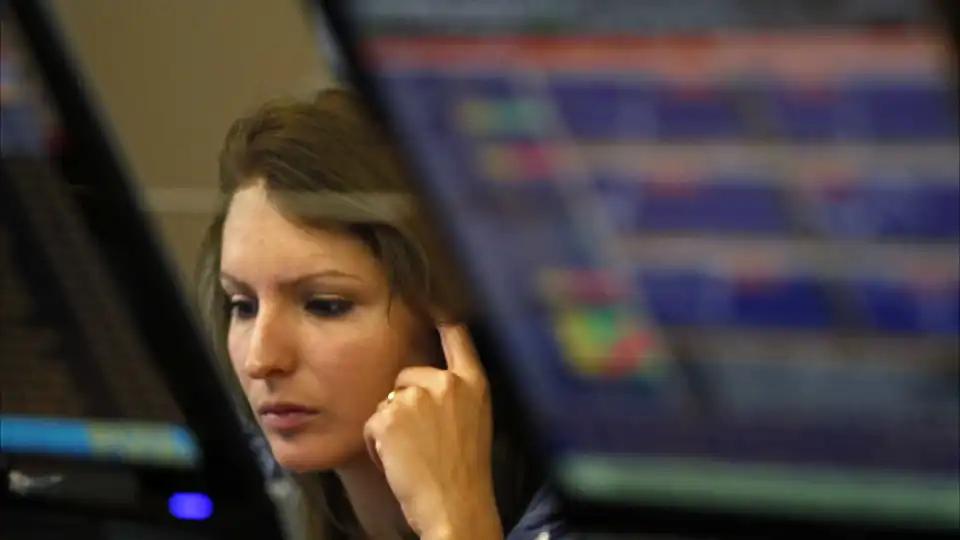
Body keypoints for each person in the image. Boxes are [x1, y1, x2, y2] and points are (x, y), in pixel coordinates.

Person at [195, 89, 569, 540]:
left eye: (325, 305)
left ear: (451, 316)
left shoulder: (586, 515)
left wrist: (456, 524)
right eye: (243, 306)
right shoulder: (243, 492)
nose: (262, 360)